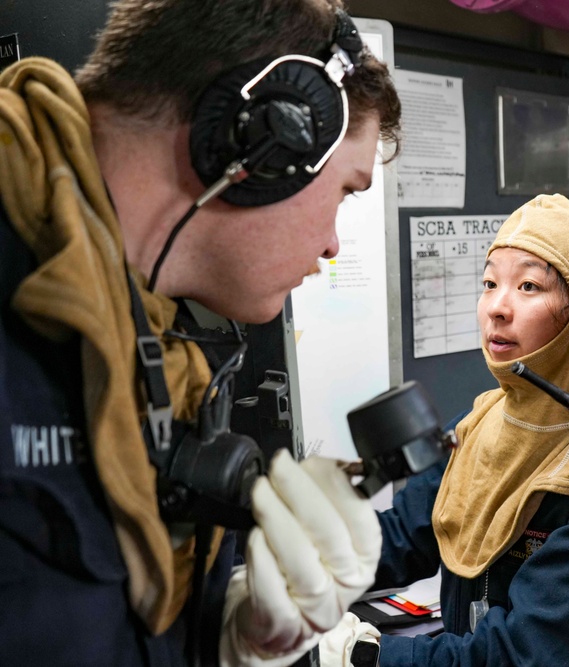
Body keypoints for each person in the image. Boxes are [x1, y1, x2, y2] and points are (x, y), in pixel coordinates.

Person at [0, 0, 401, 665]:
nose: (332, 243)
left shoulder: (162, 346)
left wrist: (231, 643)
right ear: (261, 139)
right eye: (345, 191)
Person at [337, 195, 569, 665]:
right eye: (490, 282)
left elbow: (524, 654)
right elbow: (401, 539)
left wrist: (365, 655)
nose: (497, 306)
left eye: (529, 286)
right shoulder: (478, 425)